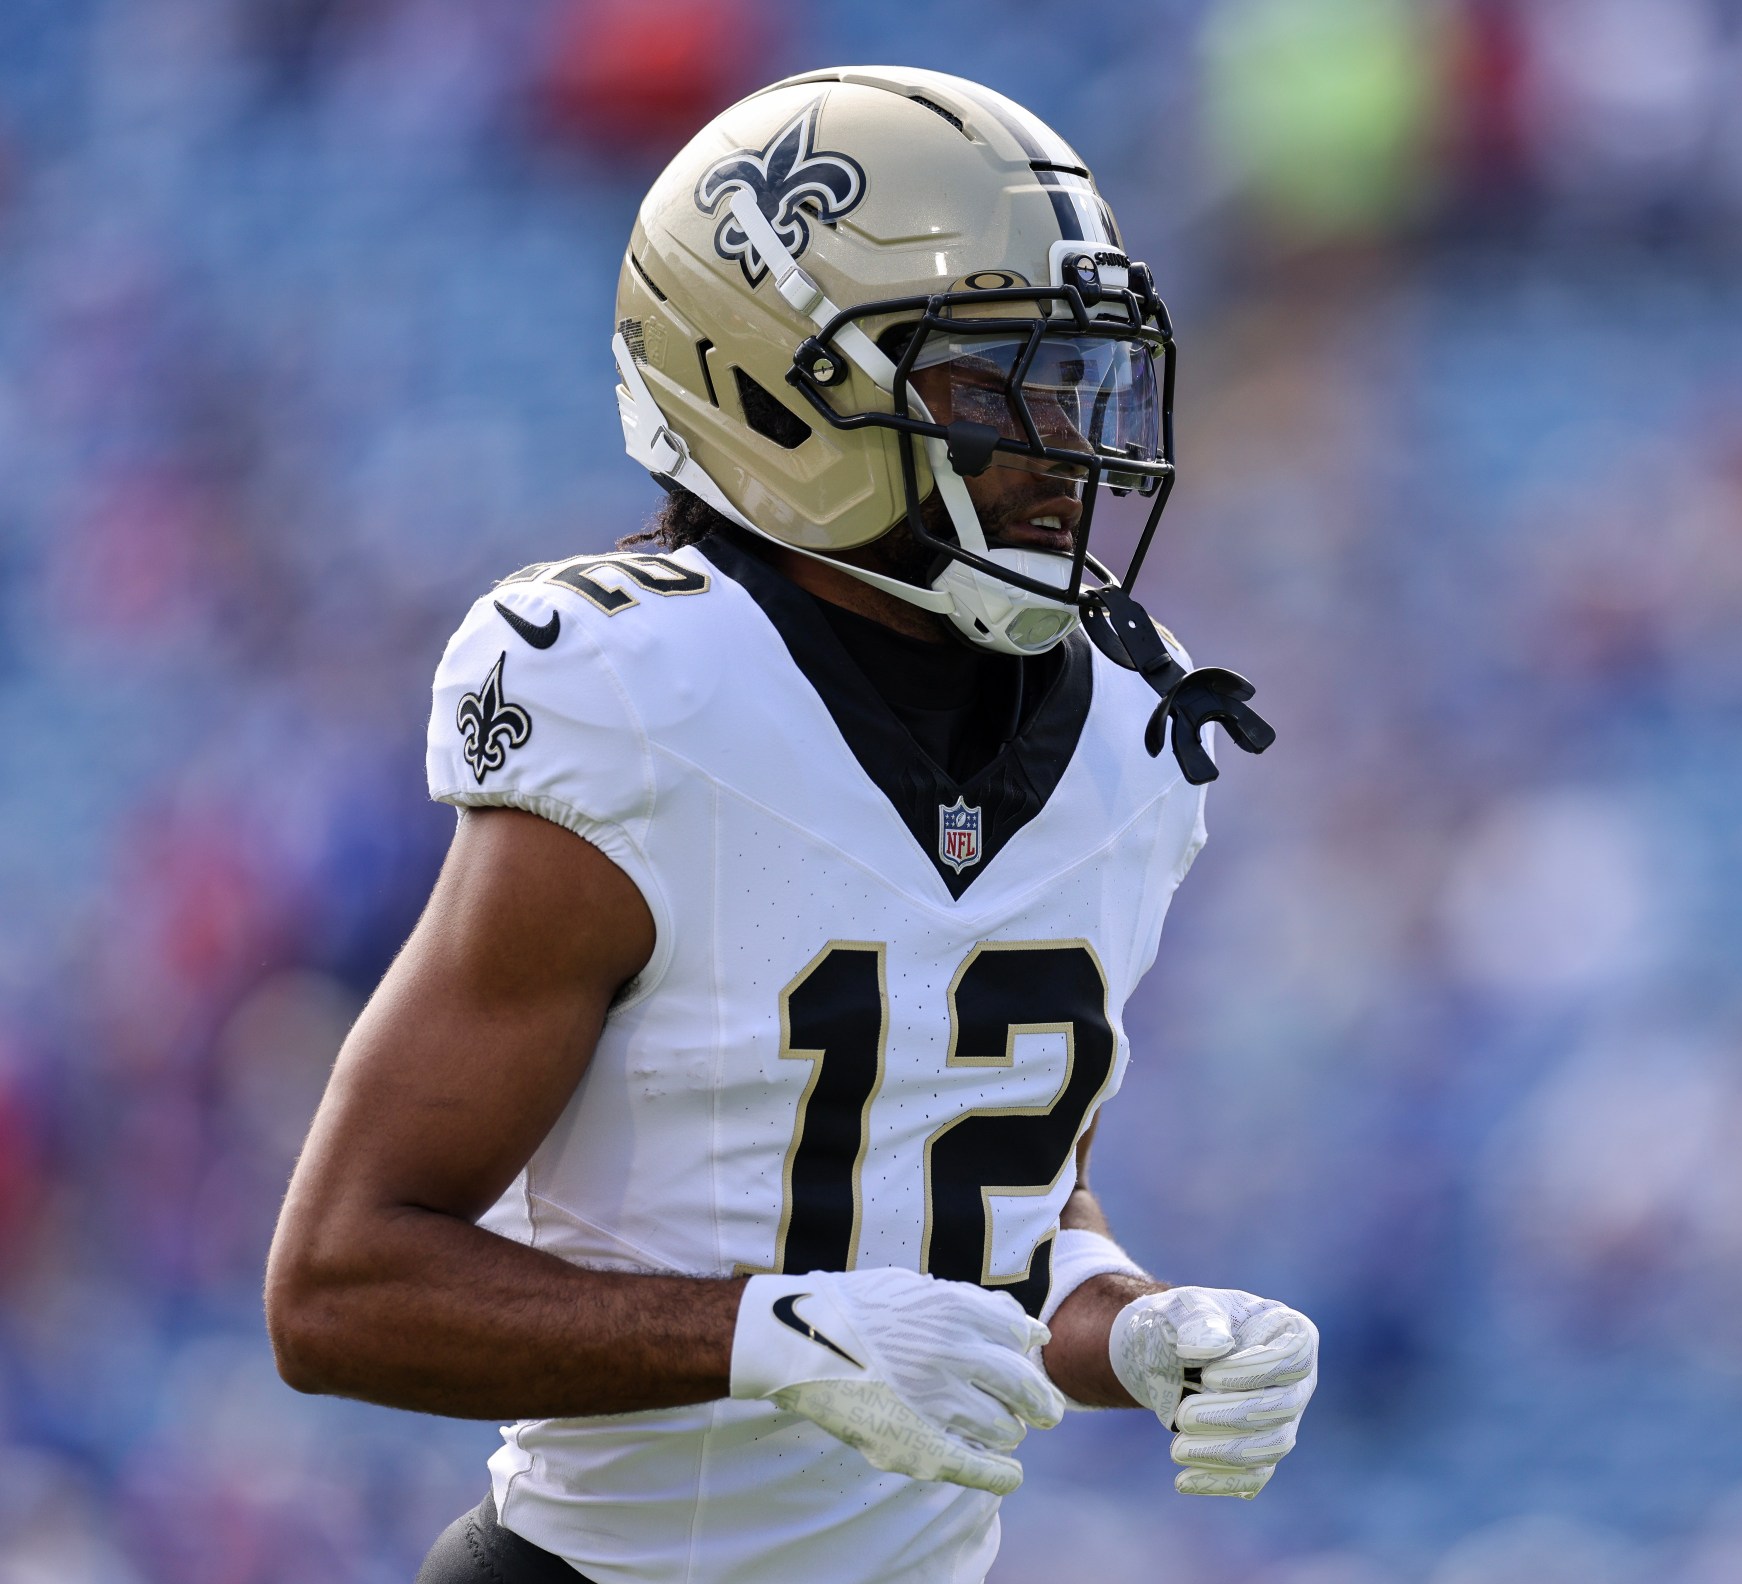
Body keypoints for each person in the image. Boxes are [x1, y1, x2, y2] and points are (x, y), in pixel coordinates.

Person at [263, 66, 1316, 1584]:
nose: (1062, 446)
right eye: (993, 383)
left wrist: (1130, 1321)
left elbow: (972, 1200)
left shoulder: (1125, 748)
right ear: (778, 385)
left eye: (1079, 380)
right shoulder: (646, 700)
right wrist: (767, 1334)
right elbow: (342, 1287)